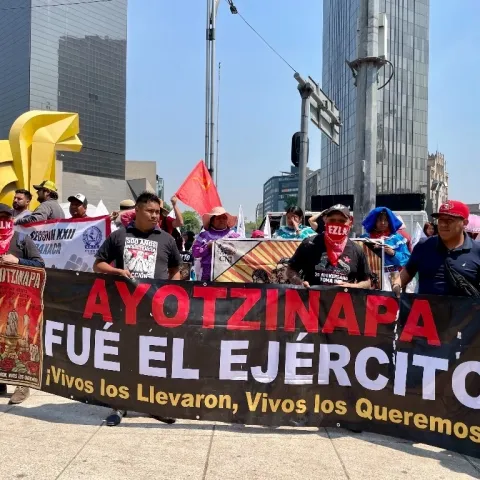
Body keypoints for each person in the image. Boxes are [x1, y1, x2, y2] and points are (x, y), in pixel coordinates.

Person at [93, 192, 181, 426]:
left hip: (157, 311)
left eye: (158, 212)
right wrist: (117, 272)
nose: (155, 216)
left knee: (156, 359)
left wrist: (170, 292)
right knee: (126, 356)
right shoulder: (119, 236)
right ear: (138, 211)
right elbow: (98, 264)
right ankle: (119, 405)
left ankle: (155, 405)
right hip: (126, 309)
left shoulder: (167, 239)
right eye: (151, 211)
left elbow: (176, 270)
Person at [0, 203, 44, 404]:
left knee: (21, 344)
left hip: (19, 302)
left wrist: (17, 262)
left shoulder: (21, 239)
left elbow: (40, 264)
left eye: (6, 217)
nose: (2, 221)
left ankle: (22, 386)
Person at [392, 201, 480, 297]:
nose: (443, 225)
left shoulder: (477, 251)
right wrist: (396, 284)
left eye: (449, 221)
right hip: (426, 311)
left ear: (464, 223)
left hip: (464, 311)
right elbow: (408, 271)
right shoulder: (424, 245)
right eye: (440, 220)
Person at [287, 205, 371, 289]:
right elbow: (291, 270)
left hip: (344, 300)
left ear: (350, 222)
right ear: (325, 220)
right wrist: (300, 283)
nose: (336, 224)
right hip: (312, 300)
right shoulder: (309, 244)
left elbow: (367, 282)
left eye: (342, 221)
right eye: (332, 220)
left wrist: (352, 287)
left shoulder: (357, 250)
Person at [192, 206, 240, 282]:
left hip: (229, 276)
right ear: (212, 221)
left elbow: (241, 253)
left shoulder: (234, 236)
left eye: (224, 218)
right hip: (207, 275)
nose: (222, 220)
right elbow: (195, 253)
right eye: (218, 218)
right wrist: (207, 247)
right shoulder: (203, 235)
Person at [361, 207, 411, 277]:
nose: (383, 223)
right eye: (380, 220)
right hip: (370, 276)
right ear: (374, 221)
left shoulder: (397, 238)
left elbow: (406, 259)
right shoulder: (365, 238)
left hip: (391, 277)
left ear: (389, 221)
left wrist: (393, 253)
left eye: (386, 220)